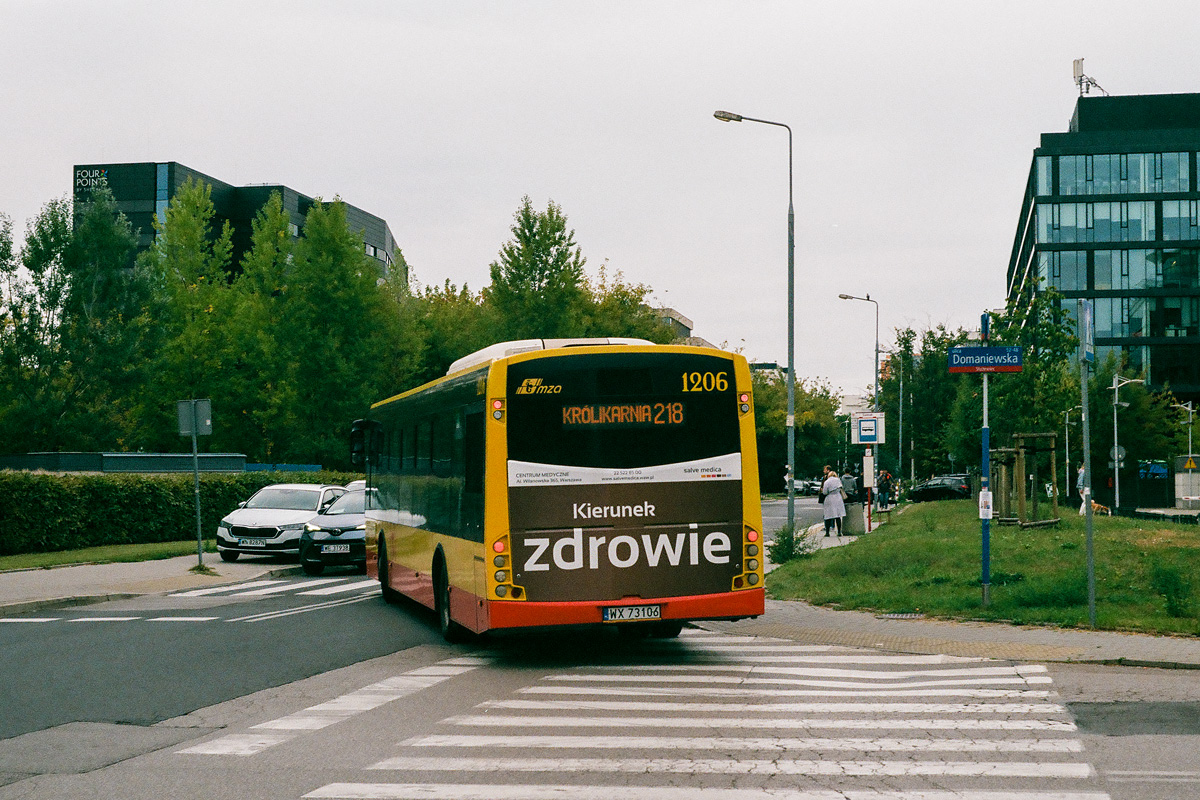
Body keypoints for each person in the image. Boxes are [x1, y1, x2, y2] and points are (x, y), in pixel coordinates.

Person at [819, 465, 846, 537]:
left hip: (830, 498)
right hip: (838, 497)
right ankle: (839, 531)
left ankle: (827, 532)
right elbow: (841, 488)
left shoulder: (827, 482)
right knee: (838, 516)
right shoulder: (838, 480)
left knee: (828, 515)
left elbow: (825, 492)